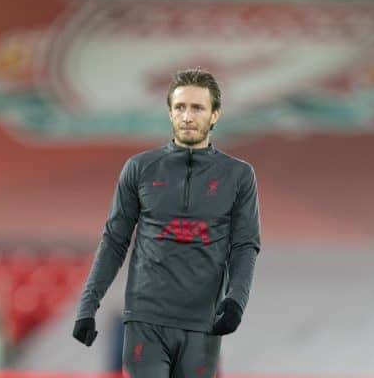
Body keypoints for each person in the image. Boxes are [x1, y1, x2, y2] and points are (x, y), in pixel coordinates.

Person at [73, 68, 260, 377]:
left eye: (197, 108)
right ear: (170, 112)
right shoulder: (139, 168)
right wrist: (87, 307)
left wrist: (236, 300)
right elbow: (114, 242)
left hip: (203, 323)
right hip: (145, 321)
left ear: (215, 115)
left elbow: (244, 246)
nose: (187, 116)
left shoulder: (238, 176)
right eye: (180, 107)